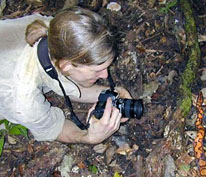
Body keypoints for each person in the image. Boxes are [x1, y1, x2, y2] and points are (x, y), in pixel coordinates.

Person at [0, 7, 131, 144]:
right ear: (66, 66)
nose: (105, 76)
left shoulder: (59, 31)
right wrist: (90, 137)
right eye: (97, 70)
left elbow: (68, 83)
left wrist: (114, 94)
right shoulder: (23, 98)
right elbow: (54, 129)